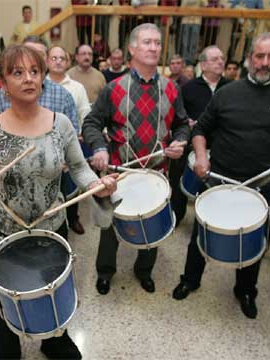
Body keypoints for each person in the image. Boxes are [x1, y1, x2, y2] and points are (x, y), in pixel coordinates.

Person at [0, 44, 118, 360]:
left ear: (44, 77)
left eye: (34, 71)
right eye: (17, 72)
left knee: (52, 290)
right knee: (7, 299)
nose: (28, 78)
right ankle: (8, 349)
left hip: (52, 227)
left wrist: (97, 187)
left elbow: (78, 167)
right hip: (5, 230)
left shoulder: (60, 123)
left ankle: (53, 339)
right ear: (4, 83)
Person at [171, 32, 270, 319]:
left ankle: (246, 290)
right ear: (250, 59)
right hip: (219, 182)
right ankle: (190, 279)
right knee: (201, 235)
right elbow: (200, 130)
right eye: (259, 56)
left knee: (255, 243)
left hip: (262, 188)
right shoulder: (227, 92)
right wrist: (199, 155)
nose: (265, 62)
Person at [82, 23, 190, 295]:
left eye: (157, 43)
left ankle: (144, 270)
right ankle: (105, 271)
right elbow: (92, 123)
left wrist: (180, 140)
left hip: (157, 173)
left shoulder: (172, 89)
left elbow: (182, 124)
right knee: (110, 226)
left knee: (152, 222)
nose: (154, 47)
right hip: (120, 173)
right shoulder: (114, 88)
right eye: (147, 42)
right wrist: (98, 148)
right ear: (132, 48)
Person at [171, 46, 230, 226]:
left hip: (220, 148)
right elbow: (177, 117)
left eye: (222, 58)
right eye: (214, 59)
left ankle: (208, 222)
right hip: (190, 146)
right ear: (203, 65)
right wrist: (187, 122)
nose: (220, 62)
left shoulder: (231, 88)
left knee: (213, 191)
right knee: (180, 186)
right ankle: (176, 217)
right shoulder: (188, 88)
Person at [47, 45, 92, 235]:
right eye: (54, 58)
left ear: (67, 63)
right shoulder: (39, 84)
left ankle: (73, 218)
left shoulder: (77, 88)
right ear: (47, 61)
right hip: (44, 146)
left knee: (71, 184)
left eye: (62, 58)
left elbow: (84, 113)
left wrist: (81, 134)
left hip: (70, 143)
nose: (58, 61)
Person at [0, 36, 79, 134]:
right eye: (27, 54)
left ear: (46, 60)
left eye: (39, 54)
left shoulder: (63, 96)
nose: (34, 59)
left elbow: (72, 135)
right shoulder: (2, 96)